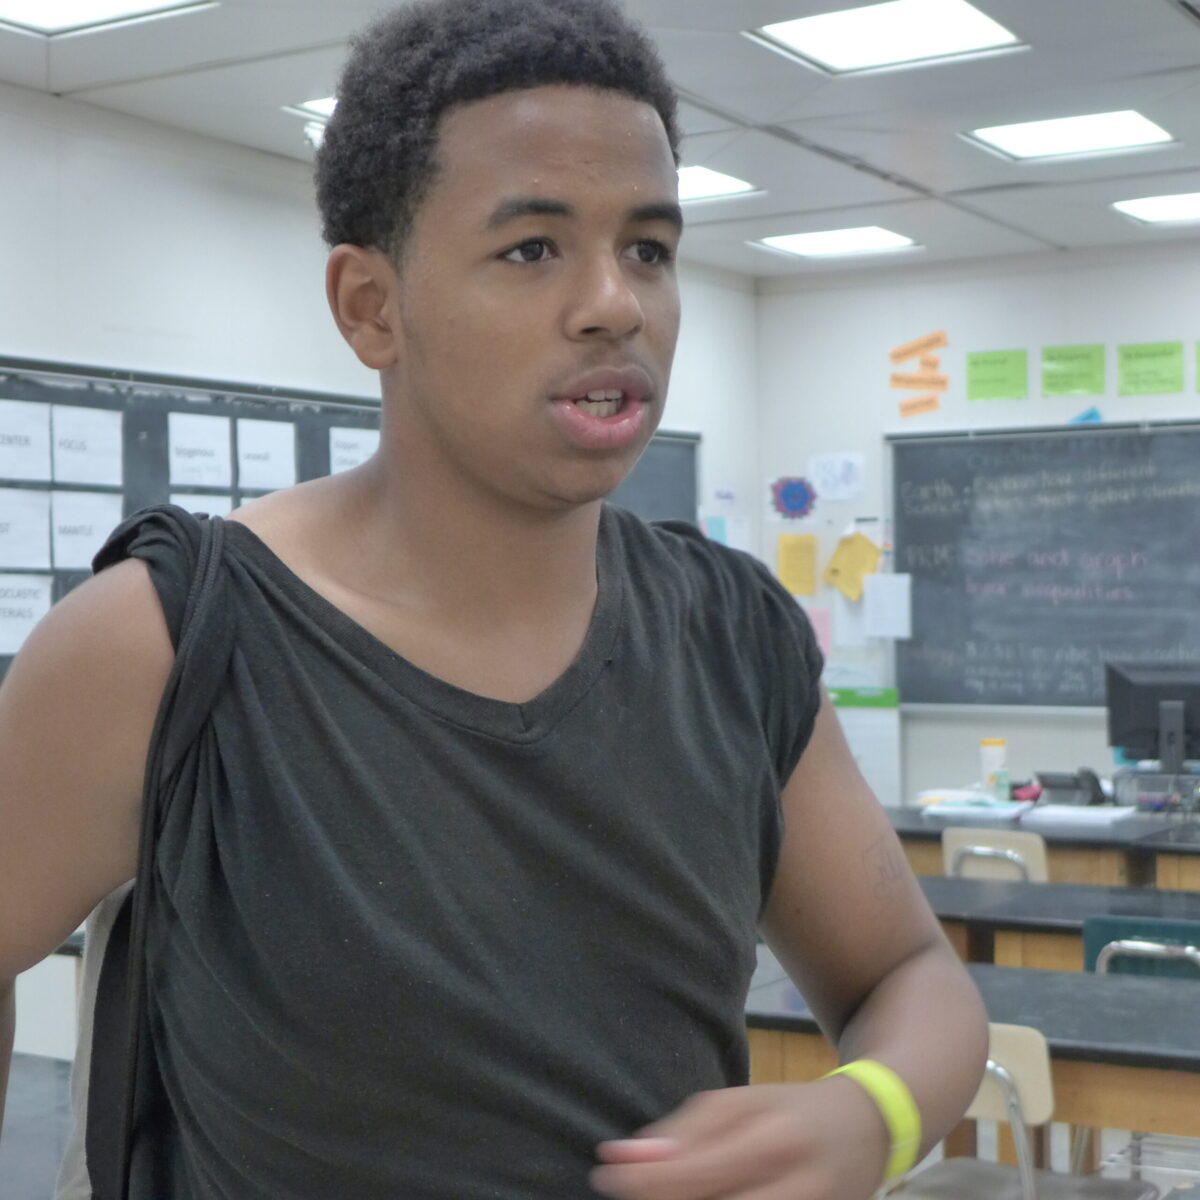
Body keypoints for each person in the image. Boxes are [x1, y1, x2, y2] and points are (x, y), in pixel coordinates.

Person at [0, 0, 988, 1195]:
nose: (614, 303)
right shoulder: (163, 640)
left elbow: (908, 976)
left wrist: (867, 1112)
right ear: (372, 307)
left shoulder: (730, 637)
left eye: (650, 249)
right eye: (532, 249)